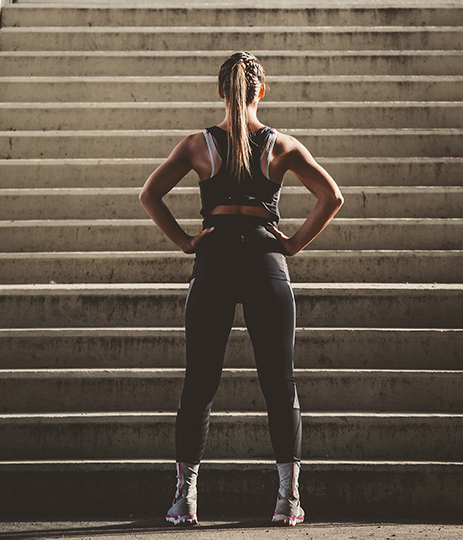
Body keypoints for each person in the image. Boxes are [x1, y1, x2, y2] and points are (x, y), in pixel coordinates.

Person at [139, 51, 344, 527]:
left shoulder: (197, 145)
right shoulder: (282, 146)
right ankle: (287, 501)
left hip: (214, 259)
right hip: (263, 256)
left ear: (220, 91)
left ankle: (184, 499)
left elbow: (150, 195)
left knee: (201, 381)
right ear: (261, 91)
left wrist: (188, 242)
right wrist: (291, 245)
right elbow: (332, 197)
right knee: (279, 382)